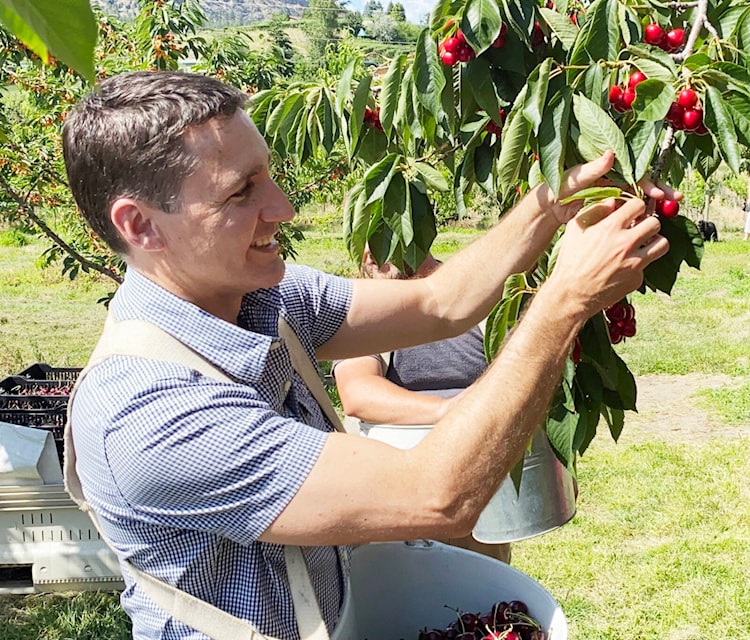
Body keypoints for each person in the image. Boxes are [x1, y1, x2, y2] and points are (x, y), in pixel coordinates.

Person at [60, 70, 673, 640]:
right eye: (241, 193)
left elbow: (440, 301)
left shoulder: (262, 297)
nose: (283, 208)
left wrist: (556, 202)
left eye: (267, 175)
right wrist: (564, 302)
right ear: (141, 226)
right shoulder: (151, 415)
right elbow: (438, 494)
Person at [332, 248, 510, 563]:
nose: (368, 254)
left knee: (478, 595)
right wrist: (450, 411)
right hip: (398, 502)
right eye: (363, 240)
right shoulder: (369, 310)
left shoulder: (474, 300)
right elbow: (358, 393)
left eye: (381, 235)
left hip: (477, 500)